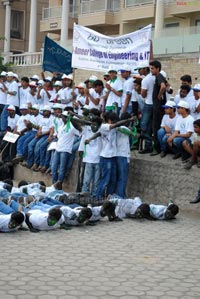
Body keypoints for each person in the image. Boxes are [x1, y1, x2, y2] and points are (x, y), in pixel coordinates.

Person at [51, 111, 81, 186]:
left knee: (62, 168)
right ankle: (54, 183)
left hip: (65, 150)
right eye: (62, 117)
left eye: (64, 117)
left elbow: (80, 134)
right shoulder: (61, 127)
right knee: (53, 167)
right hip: (58, 148)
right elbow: (58, 137)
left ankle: (59, 183)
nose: (63, 118)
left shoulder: (72, 127)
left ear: (68, 118)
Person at [149, 60, 166, 155]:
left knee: (156, 127)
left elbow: (163, 86)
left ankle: (157, 148)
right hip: (159, 107)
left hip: (158, 108)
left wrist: (159, 95)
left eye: (152, 68)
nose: (151, 70)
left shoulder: (159, 76)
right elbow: (167, 85)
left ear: (157, 68)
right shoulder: (160, 77)